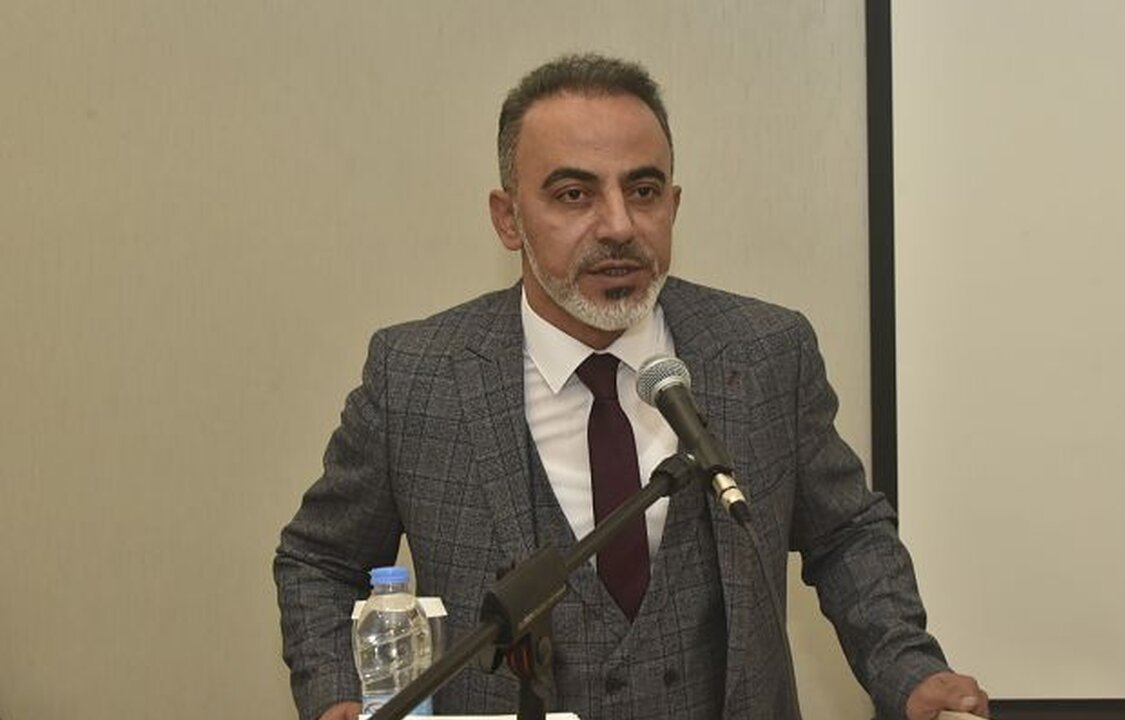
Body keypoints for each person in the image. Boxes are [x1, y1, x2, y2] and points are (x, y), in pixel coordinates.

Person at [274, 53, 988, 720]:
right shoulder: (417, 376)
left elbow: (846, 537)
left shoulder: (765, 353)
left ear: (673, 205)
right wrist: (339, 697)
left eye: (642, 191)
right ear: (508, 218)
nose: (618, 225)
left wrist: (908, 670)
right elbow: (318, 560)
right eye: (574, 194)